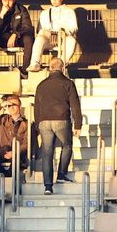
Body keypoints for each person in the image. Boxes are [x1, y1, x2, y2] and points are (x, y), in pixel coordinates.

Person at [33, 56, 82, 190]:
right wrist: (78, 124)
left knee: (47, 153)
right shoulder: (68, 83)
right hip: (61, 119)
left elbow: (36, 107)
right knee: (67, 146)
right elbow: (75, 105)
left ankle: (48, 186)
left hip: (44, 121)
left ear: (50, 68)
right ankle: (61, 174)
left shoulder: (41, 85)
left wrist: (38, 125)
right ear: (63, 68)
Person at [28, 0, 78, 70]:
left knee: (72, 41)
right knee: (39, 39)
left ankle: (60, 65)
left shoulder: (70, 11)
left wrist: (64, 32)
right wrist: (48, 34)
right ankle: (35, 63)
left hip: (63, 38)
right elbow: (40, 30)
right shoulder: (44, 13)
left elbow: (74, 27)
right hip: (49, 39)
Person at [0, 0, 34, 68]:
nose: (8, 3)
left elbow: (27, 27)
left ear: (14, 0)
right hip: (4, 38)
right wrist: (1, 15)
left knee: (28, 38)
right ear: (2, 1)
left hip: (18, 38)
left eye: (10, 0)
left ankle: (25, 69)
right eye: (5, 0)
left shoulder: (21, 9)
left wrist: (15, 34)